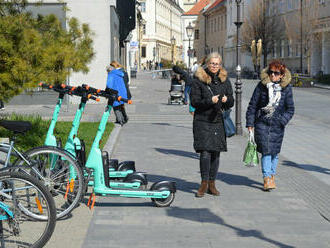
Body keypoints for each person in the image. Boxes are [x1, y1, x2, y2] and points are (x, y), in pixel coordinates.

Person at [190, 52, 234, 197]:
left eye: (217, 64)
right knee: (205, 153)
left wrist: (226, 99)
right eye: (212, 63)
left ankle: (212, 184)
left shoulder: (225, 80)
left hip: (217, 120)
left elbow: (231, 101)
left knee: (216, 153)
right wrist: (211, 101)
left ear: (220, 65)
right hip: (203, 120)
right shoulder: (198, 80)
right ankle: (203, 183)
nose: (215, 66)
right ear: (207, 63)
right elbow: (194, 102)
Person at [246, 60, 294, 191]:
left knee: (275, 153)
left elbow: (290, 109)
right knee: (266, 152)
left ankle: (272, 176)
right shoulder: (261, 86)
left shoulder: (286, 88)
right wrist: (250, 123)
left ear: (282, 75)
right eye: (271, 72)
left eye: (276, 73)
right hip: (262, 123)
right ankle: (266, 178)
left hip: (278, 126)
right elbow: (252, 105)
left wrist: (282, 121)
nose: (273, 75)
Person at [106, 61, 129, 126]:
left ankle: (120, 120)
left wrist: (107, 91)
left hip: (115, 92)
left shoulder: (111, 74)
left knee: (115, 106)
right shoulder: (119, 73)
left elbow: (109, 85)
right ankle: (125, 118)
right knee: (120, 105)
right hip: (122, 92)